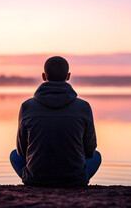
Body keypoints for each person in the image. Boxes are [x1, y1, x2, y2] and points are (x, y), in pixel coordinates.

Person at [10, 56, 101, 187]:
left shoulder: (27, 107)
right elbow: (90, 150)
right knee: (96, 156)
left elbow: (22, 151)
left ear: (43, 76)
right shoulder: (84, 107)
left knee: (14, 155)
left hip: (35, 179)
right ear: (68, 76)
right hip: (75, 180)